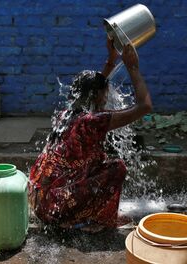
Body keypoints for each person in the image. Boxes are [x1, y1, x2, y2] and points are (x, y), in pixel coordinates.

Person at [29, 38, 153, 232]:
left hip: (39, 200)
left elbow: (93, 87)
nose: (107, 98)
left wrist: (111, 60)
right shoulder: (91, 122)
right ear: (96, 96)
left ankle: (84, 214)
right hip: (56, 208)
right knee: (116, 168)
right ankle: (96, 221)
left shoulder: (68, 113)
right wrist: (133, 68)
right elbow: (145, 106)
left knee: (96, 163)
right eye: (105, 93)